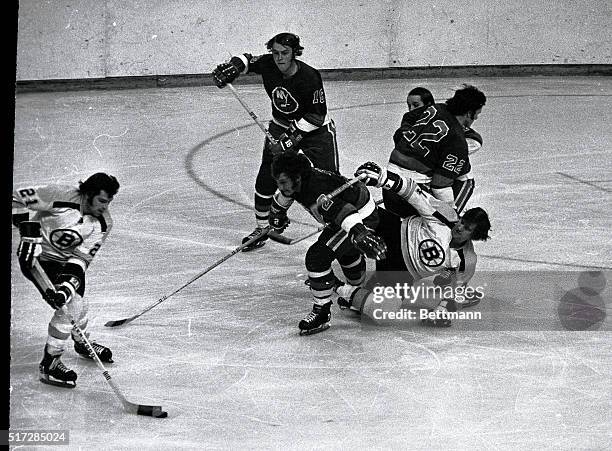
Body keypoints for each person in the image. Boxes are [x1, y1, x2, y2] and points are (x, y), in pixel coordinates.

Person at [212, 32, 339, 251]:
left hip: (315, 132)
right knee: (267, 177)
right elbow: (246, 60)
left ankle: (340, 225)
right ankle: (262, 229)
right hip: (280, 125)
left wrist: (289, 141)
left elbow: (316, 116)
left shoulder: (309, 76)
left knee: (327, 181)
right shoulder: (269, 63)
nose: (279, 58)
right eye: (275, 52)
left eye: (285, 53)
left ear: (295, 53)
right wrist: (232, 67)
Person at [336, 161, 491, 327]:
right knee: (356, 209)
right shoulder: (447, 215)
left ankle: (338, 287)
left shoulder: (467, 260)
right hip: (393, 232)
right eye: (462, 221)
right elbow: (415, 194)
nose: (459, 227)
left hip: (403, 273)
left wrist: (442, 310)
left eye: (467, 228)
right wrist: (383, 178)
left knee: (382, 312)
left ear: (474, 236)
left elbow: (454, 289)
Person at [12, 173, 120, 388]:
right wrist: (27, 232)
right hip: (36, 257)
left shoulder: (103, 224)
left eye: (108, 201)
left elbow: (80, 259)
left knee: (77, 303)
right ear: (88, 195)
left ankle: (81, 342)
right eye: (101, 200)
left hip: (67, 264)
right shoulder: (58, 195)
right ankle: (50, 362)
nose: (105, 207)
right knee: (71, 306)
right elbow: (16, 197)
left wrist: (67, 287)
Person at [266, 152, 386, 335]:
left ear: (297, 179)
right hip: (350, 216)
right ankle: (355, 292)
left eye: (282, 182)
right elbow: (284, 195)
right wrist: (277, 213)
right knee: (346, 253)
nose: (280, 186)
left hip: (359, 219)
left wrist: (359, 233)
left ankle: (322, 311)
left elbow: (345, 212)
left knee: (317, 257)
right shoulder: (299, 180)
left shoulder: (318, 191)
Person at [385, 84, 486, 217]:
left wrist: (407, 137)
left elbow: (409, 117)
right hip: (412, 193)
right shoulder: (458, 143)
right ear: (469, 113)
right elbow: (440, 186)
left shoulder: (436, 108)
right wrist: (449, 214)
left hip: (389, 185)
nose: (476, 118)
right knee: (467, 180)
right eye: (477, 114)